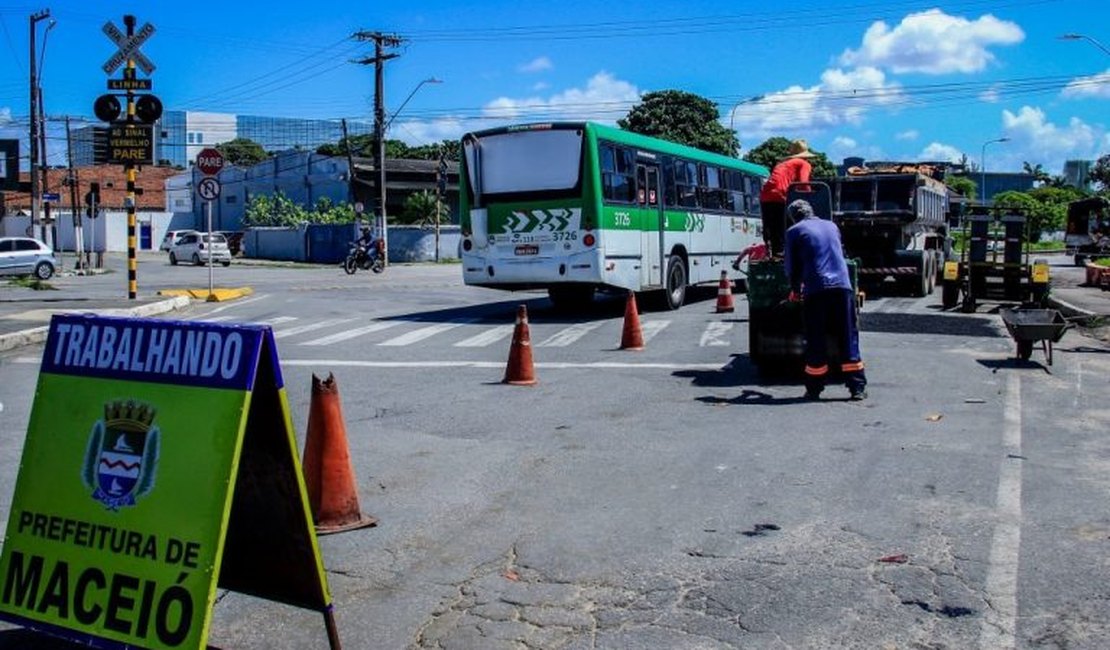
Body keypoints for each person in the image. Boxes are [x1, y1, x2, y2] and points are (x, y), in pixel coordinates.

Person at [783, 199, 867, 401]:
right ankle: (857, 387)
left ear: (794, 216)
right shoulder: (831, 226)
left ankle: (814, 389)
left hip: (816, 289)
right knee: (847, 336)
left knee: (816, 339)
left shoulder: (794, 231)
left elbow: (792, 266)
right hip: (842, 287)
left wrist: (794, 290)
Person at [759, 139, 815, 256]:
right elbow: (803, 183)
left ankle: (773, 253)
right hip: (780, 194)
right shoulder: (804, 163)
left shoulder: (782, 164)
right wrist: (810, 198)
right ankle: (785, 252)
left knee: (771, 227)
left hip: (765, 195)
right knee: (783, 225)